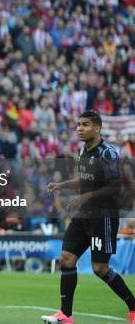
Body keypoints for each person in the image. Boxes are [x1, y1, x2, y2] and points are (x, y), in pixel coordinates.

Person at [42, 110, 135, 324]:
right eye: (78, 125)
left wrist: (86, 196)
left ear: (97, 128)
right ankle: (65, 315)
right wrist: (61, 185)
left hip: (103, 216)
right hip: (84, 215)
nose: (79, 129)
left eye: (85, 125)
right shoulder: (84, 151)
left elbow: (115, 185)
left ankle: (133, 308)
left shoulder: (107, 153)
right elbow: (85, 179)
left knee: (100, 268)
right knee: (66, 258)